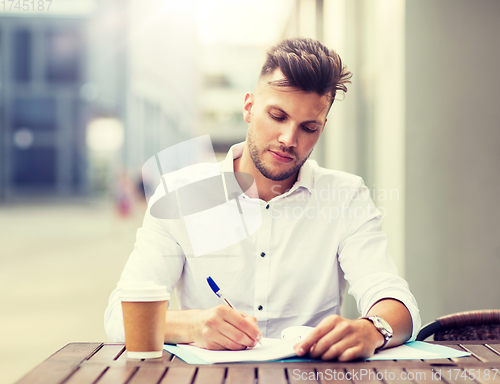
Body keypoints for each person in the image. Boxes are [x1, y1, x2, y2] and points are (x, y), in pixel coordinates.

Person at [105, 37, 420, 361]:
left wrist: (373, 329)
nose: (288, 139)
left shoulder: (346, 196)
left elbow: (396, 300)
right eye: (278, 116)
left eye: (308, 127)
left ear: (322, 128)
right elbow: (120, 316)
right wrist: (192, 325)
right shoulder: (180, 196)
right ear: (248, 107)